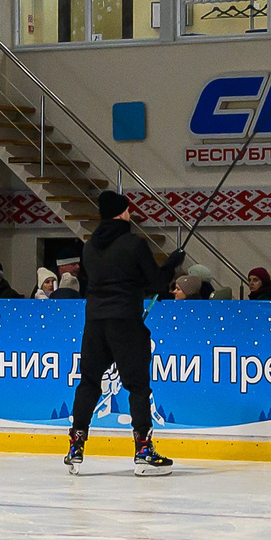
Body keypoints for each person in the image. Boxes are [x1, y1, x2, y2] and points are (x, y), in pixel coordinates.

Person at [66, 190, 181, 476]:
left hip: (94, 323)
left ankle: (76, 445)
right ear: (121, 212)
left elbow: (111, 281)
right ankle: (143, 448)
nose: (130, 213)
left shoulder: (89, 247)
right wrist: (171, 266)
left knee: (89, 383)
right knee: (137, 386)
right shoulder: (133, 244)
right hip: (126, 323)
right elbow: (155, 282)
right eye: (128, 209)